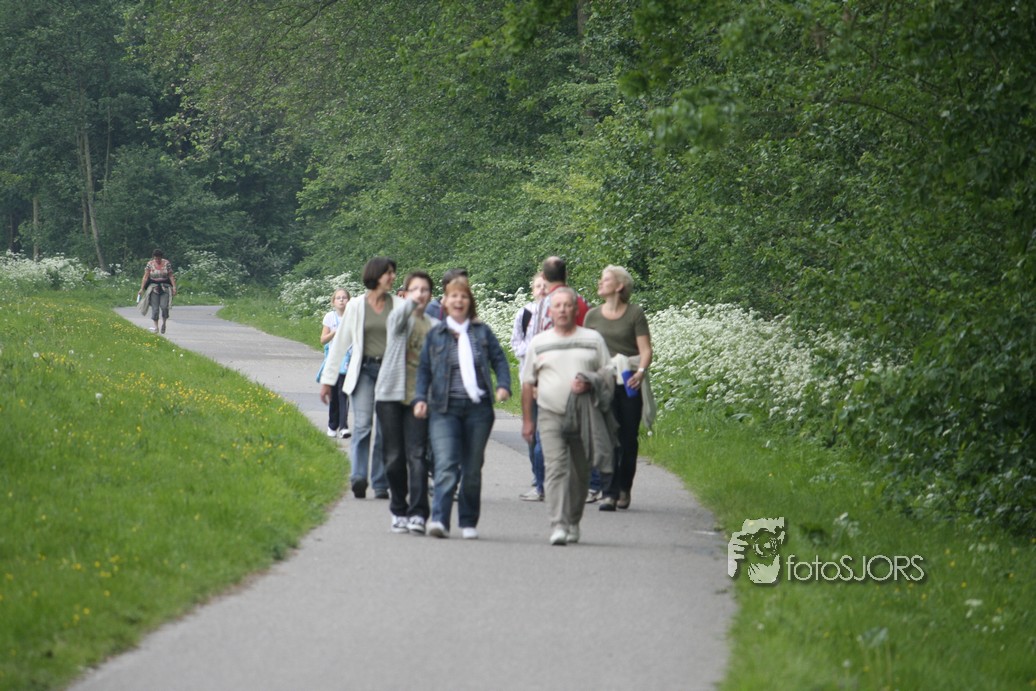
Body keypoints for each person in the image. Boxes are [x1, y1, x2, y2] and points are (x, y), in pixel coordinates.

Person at [414, 277, 511, 539]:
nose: (458, 300)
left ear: (470, 302)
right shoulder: (436, 334)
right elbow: (424, 370)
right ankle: (439, 520)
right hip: (444, 409)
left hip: (478, 410)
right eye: (453, 296)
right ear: (445, 302)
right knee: (446, 464)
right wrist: (420, 398)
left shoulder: (482, 332)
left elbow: (500, 361)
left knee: (472, 469)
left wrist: (503, 385)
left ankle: (468, 521)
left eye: (464, 296)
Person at [522, 287, 612, 545]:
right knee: (555, 468)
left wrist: (591, 381)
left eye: (567, 305)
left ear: (576, 309)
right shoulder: (539, 342)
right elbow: (528, 382)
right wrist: (528, 421)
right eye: (557, 306)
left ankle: (573, 521)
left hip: (584, 414)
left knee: (580, 473)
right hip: (550, 413)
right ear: (550, 312)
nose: (562, 310)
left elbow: (608, 373)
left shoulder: (593, 339)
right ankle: (558, 525)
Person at [320, 257, 403, 499]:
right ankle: (358, 476)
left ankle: (379, 482)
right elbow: (340, 343)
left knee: (385, 429)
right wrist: (328, 380)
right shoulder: (356, 305)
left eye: (394, 273)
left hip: (389, 372)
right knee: (363, 425)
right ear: (376, 275)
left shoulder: (400, 306)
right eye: (389, 273)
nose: (393, 277)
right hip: (363, 370)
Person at [584, 265, 653, 511]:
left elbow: (645, 350)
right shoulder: (592, 316)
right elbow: (587, 351)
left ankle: (625, 487)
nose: (600, 283)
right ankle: (609, 493)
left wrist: (640, 373)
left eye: (605, 279)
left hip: (629, 380)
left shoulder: (635, 313)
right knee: (606, 436)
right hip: (604, 382)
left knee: (627, 438)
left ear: (619, 286)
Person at [375, 271, 438, 534]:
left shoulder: (435, 325)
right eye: (415, 289)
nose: (420, 294)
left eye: (425, 290)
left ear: (431, 295)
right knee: (393, 457)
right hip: (390, 395)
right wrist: (410, 302)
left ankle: (419, 513)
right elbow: (397, 319)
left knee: (417, 456)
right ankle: (398, 510)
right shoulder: (398, 318)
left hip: (419, 398)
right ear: (406, 293)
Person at [510, 272, 548, 501]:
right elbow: (516, 344)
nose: (542, 289)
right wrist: (535, 350)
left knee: (548, 432)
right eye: (537, 286)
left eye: (545, 285)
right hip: (529, 379)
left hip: (552, 380)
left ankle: (547, 478)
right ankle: (537, 474)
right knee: (532, 431)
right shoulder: (524, 314)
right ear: (532, 290)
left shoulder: (558, 312)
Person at [321, 289, 352, 439]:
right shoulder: (330, 317)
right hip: (333, 361)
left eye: (344, 298)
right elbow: (323, 340)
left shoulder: (353, 317)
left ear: (349, 301)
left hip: (348, 360)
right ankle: (332, 425)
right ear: (333, 302)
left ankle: (344, 426)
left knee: (343, 392)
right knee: (334, 394)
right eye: (338, 298)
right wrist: (335, 332)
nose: (341, 300)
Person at [137, 249, 177, 334]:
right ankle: (156, 327)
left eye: (159, 258)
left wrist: (174, 287)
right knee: (155, 309)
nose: (157, 260)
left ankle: (164, 323)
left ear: (161, 257)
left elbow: (171, 276)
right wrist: (141, 288)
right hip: (153, 288)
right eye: (156, 258)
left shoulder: (166, 263)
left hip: (165, 287)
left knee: (164, 306)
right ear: (153, 257)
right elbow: (145, 276)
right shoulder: (150, 264)